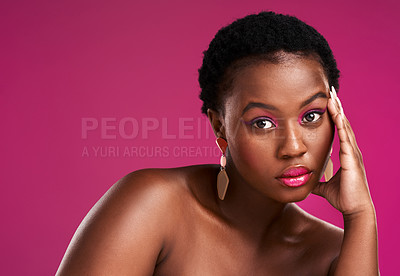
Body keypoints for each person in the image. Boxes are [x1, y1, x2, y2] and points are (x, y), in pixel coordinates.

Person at [56, 11, 379, 275]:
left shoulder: (336, 253)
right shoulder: (156, 203)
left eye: (311, 116)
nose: (293, 147)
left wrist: (361, 215)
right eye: (262, 123)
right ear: (219, 125)